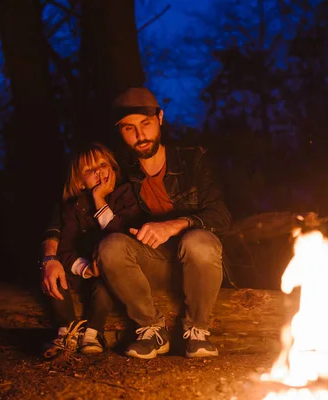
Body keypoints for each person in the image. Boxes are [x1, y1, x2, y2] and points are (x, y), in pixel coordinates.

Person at [96, 87, 233, 359]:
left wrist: (175, 224)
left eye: (145, 124)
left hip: (198, 264)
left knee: (197, 241)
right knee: (110, 246)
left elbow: (221, 215)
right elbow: (70, 202)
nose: (139, 135)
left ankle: (197, 330)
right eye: (129, 128)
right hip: (154, 265)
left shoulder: (194, 159)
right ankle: (151, 328)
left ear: (160, 117)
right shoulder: (119, 172)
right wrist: (50, 251)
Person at [40, 142, 141, 358]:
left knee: (107, 282)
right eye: (88, 170)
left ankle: (94, 332)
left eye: (103, 164)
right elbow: (64, 249)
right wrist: (85, 269)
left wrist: (99, 199)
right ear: (79, 182)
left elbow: (122, 235)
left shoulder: (127, 196)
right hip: (82, 268)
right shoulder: (73, 207)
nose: (98, 171)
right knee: (54, 275)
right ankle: (66, 330)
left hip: (112, 269)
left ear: (113, 169)